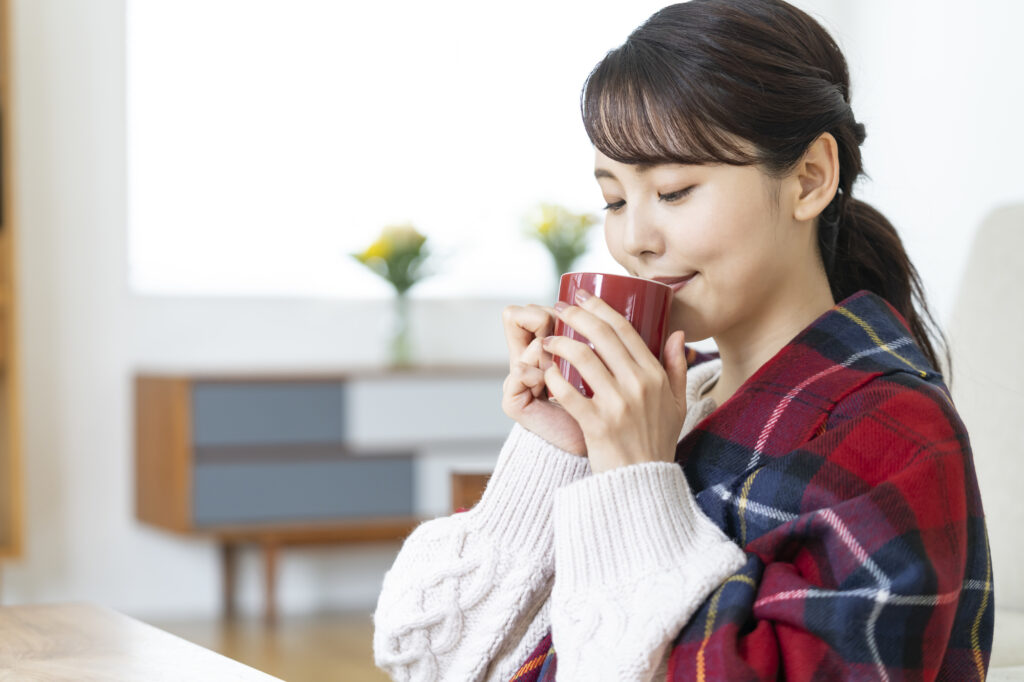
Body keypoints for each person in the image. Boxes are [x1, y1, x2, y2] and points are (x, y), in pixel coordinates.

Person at [372, 0, 993, 679]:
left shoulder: (892, 432)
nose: (634, 239)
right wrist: (559, 451)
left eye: (673, 191)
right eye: (615, 200)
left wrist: (634, 481)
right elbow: (429, 660)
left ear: (810, 178)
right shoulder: (677, 397)